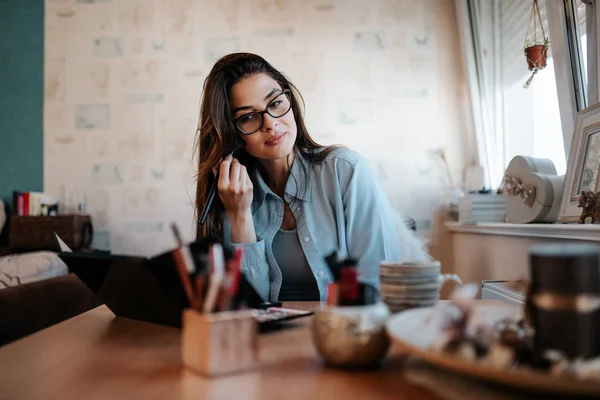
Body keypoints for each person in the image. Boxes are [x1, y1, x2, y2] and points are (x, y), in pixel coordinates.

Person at [194, 52, 428, 302]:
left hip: (344, 332)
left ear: (290, 101)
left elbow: (376, 287)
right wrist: (240, 215)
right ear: (233, 134)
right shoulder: (232, 196)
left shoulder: (347, 171)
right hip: (270, 339)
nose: (271, 124)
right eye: (248, 117)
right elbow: (248, 308)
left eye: (275, 103)